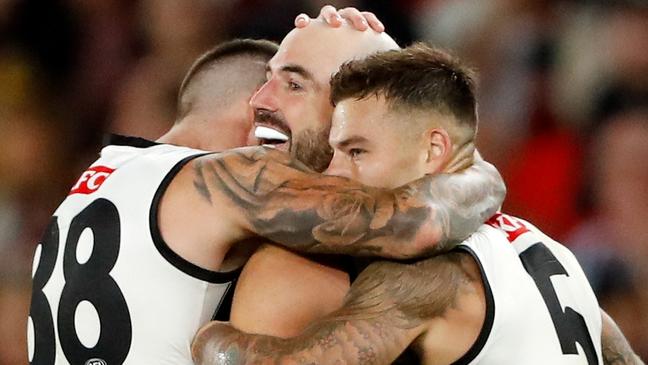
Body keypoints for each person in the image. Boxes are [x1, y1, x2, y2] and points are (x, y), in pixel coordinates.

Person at [27, 28, 505, 365]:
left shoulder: (96, 184)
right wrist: (474, 166)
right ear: (254, 113)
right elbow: (412, 222)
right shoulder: (228, 180)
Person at [192, 44, 644, 365]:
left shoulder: (424, 274)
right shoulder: (550, 252)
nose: (334, 173)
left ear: (432, 150)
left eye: (357, 152)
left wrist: (211, 339)